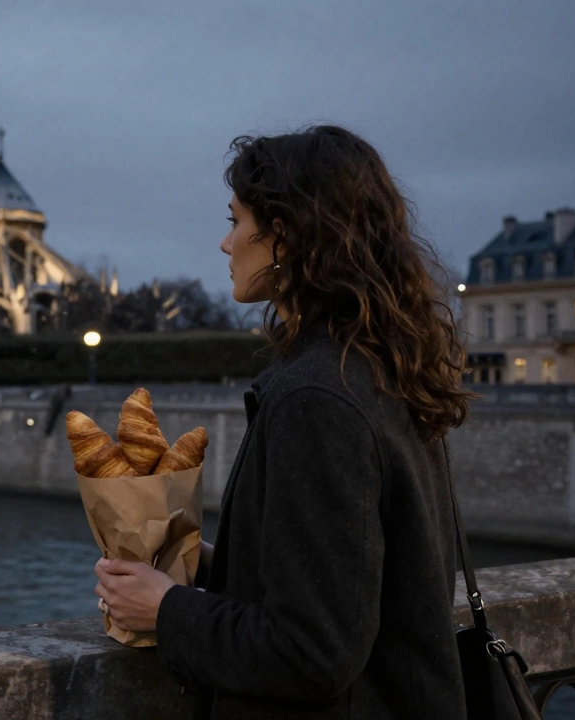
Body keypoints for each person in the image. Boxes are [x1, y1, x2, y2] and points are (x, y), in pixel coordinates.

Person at [93, 126, 475, 719]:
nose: (225, 243)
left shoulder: (317, 397)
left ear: (289, 236)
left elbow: (313, 651)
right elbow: (359, 579)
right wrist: (207, 563)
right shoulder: (379, 369)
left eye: (237, 220)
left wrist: (166, 610)